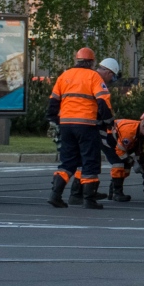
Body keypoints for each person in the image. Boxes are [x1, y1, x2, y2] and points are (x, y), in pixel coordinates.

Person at [47, 47, 113, 209]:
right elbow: (103, 102)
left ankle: (55, 195)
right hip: (86, 125)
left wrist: (56, 120)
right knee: (90, 160)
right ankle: (89, 199)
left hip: (66, 125)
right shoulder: (93, 77)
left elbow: (53, 102)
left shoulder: (64, 76)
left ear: (76, 60)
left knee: (68, 161)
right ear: (91, 62)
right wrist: (108, 122)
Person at [68, 109, 144, 205]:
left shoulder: (140, 133)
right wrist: (132, 162)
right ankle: (113, 193)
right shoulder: (129, 132)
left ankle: (111, 191)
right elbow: (120, 151)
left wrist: (141, 162)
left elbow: (138, 149)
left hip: (109, 137)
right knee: (118, 162)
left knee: (122, 165)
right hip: (106, 137)